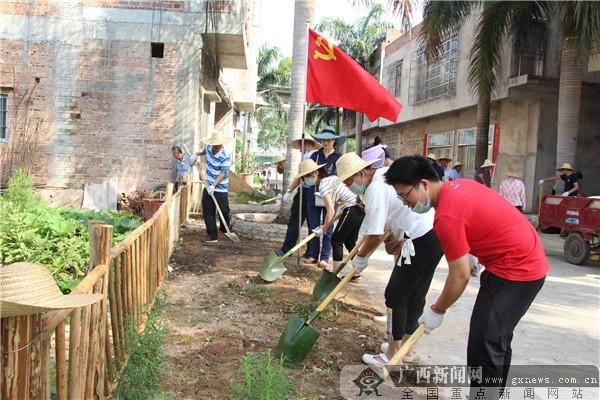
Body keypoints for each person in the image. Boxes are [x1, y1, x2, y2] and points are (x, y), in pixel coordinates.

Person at [385, 155, 548, 397]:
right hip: (518, 263)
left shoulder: (446, 217)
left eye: (404, 195)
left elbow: (460, 276)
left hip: (516, 270)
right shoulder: (458, 187)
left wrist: (436, 310)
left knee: (485, 344)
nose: (405, 203)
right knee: (495, 340)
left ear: (424, 185)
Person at [333, 149, 443, 370]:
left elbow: (373, 233)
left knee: (395, 295)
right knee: (414, 295)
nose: (347, 186)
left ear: (362, 173)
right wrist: (396, 237)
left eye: (348, 181)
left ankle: (392, 354)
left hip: (421, 239)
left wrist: (361, 258)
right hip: (434, 235)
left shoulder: (374, 189)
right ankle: (406, 350)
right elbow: (393, 217)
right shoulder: (385, 176)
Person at [303, 126, 344, 267]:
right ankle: (313, 255)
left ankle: (325, 257)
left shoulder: (339, 157)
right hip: (314, 192)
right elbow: (308, 172)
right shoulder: (315, 156)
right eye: (323, 140)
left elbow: (343, 176)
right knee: (313, 225)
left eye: (329, 140)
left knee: (328, 226)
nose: (326, 142)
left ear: (334, 141)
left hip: (331, 194)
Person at [277, 137, 322, 257]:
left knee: (295, 221)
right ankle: (311, 252)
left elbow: (299, 176)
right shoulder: (318, 155)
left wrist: (289, 190)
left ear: (307, 144)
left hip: (306, 191)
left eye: (301, 146)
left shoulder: (308, 157)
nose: (301, 149)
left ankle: (287, 249)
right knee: (312, 223)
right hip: (315, 191)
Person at [195, 130, 232, 243]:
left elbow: (223, 173)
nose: (215, 148)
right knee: (208, 210)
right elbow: (203, 151)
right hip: (208, 185)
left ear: (221, 145)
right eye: (213, 145)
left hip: (220, 188)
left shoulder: (225, 155)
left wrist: (214, 185)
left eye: (217, 146)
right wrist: (195, 155)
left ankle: (224, 229)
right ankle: (212, 235)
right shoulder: (209, 149)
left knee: (224, 210)